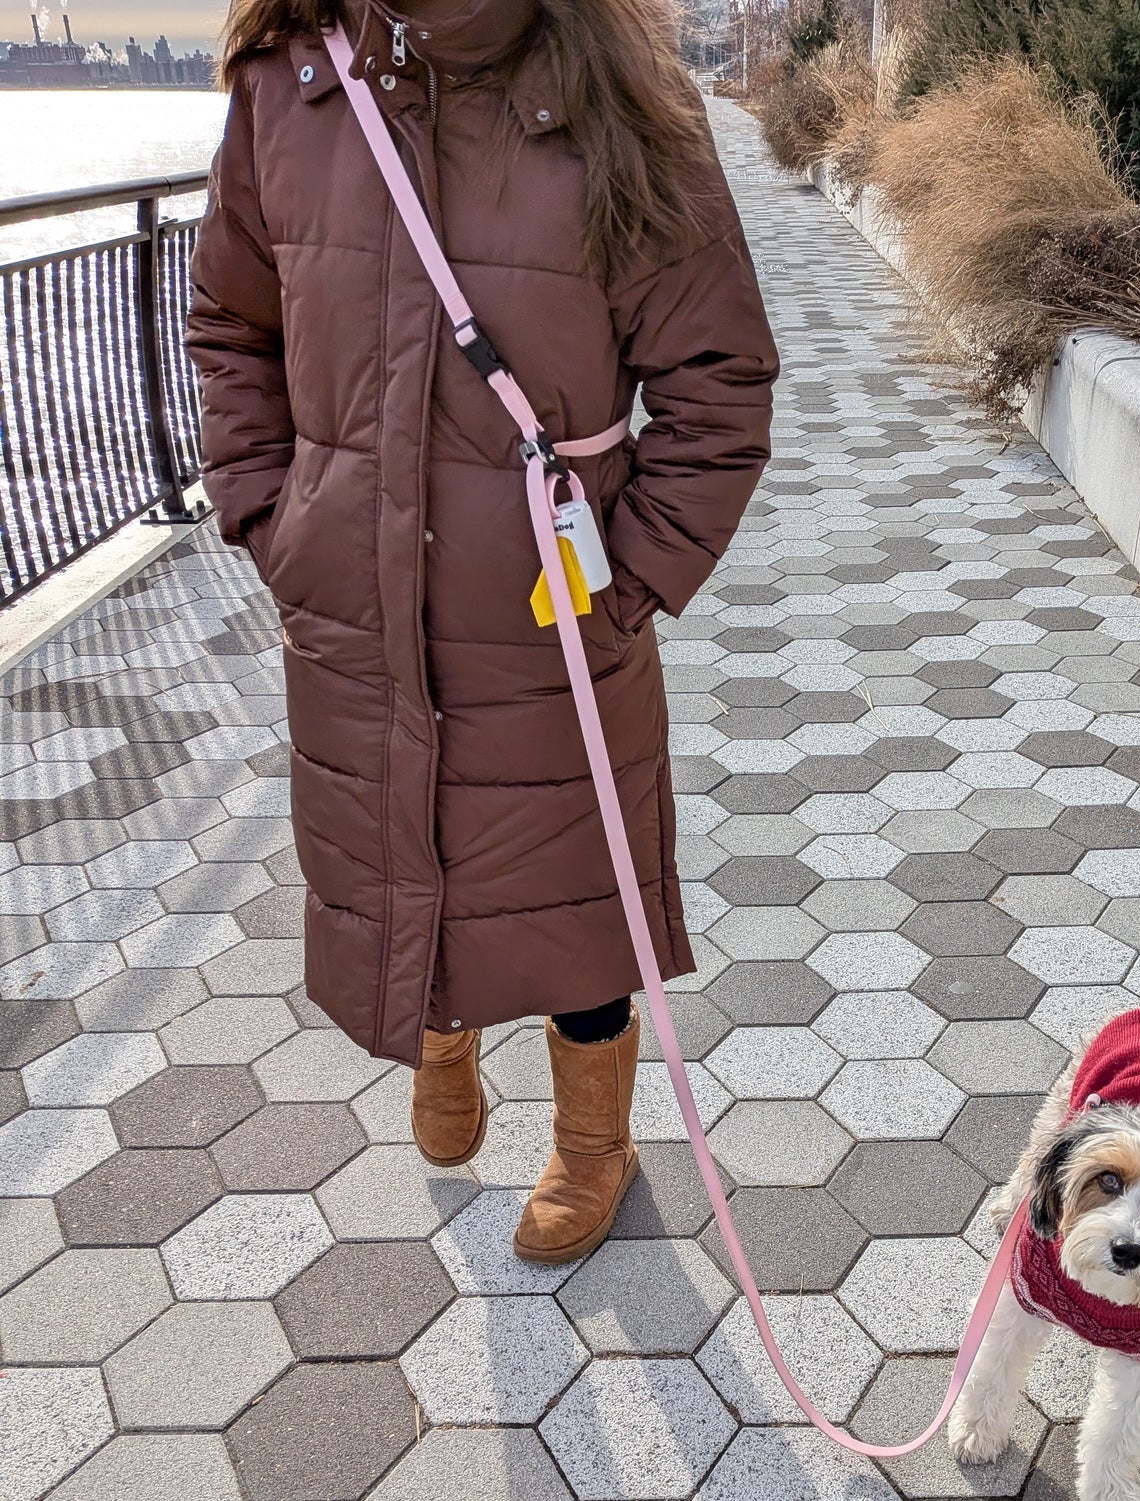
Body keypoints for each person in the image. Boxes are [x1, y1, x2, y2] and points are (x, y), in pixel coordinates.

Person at [187, 0, 778, 1264]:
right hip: (355, 601)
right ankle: (439, 1041)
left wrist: (628, 582)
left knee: (575, 893)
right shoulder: (286, 89)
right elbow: (232, 323)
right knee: (395, 845)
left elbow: (718, 372)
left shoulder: (617, 89)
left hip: (549, 618)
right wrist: (267, 508)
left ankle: (592, 1143)